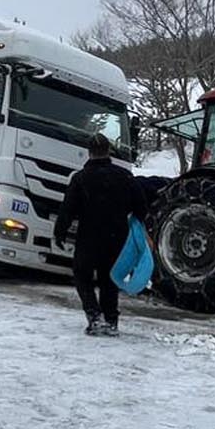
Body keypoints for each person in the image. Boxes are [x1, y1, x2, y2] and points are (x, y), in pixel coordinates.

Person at [54, 134, 149, 336]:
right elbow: (141, 206)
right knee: (109, 279)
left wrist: (60, 232)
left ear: (89, 152)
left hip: (89, 235)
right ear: (109, 151)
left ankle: (94, 316)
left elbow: (68, 209)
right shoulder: (125, 176)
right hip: (117, 236)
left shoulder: (80, 178)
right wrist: (136, 226)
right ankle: (111, 320)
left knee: (82, 275)